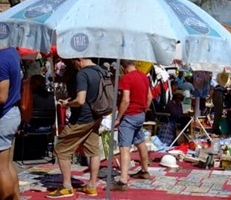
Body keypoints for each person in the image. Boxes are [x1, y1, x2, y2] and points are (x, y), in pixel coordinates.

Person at [47, 57, 104, 198]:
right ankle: (91, 185)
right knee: (93, 150)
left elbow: (80, 100)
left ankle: (66, 186)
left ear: (79, 59)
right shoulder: (100, 71)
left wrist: (67, 104)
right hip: (96, 116)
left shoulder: (83, 74)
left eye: (73, 62)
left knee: (61, 149)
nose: (73, 65)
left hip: (81, 118)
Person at [111, 60, 152, 192]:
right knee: (140, 142)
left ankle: (123, 181)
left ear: (123, 67)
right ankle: (145, 170)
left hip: (129, 115)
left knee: (124, 147)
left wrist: (118, 118)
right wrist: (144, 109)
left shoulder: (126, 78)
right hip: (140, 114)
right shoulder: (144, 76)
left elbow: (126, 100)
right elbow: (150, 96)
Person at [0, 47, 22, 200]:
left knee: (1, 168)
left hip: (3, 115)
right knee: (7, 164)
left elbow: (1, 96)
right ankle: (15, 197)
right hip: (12, 112)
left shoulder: (0, 59)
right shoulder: (12, 51)